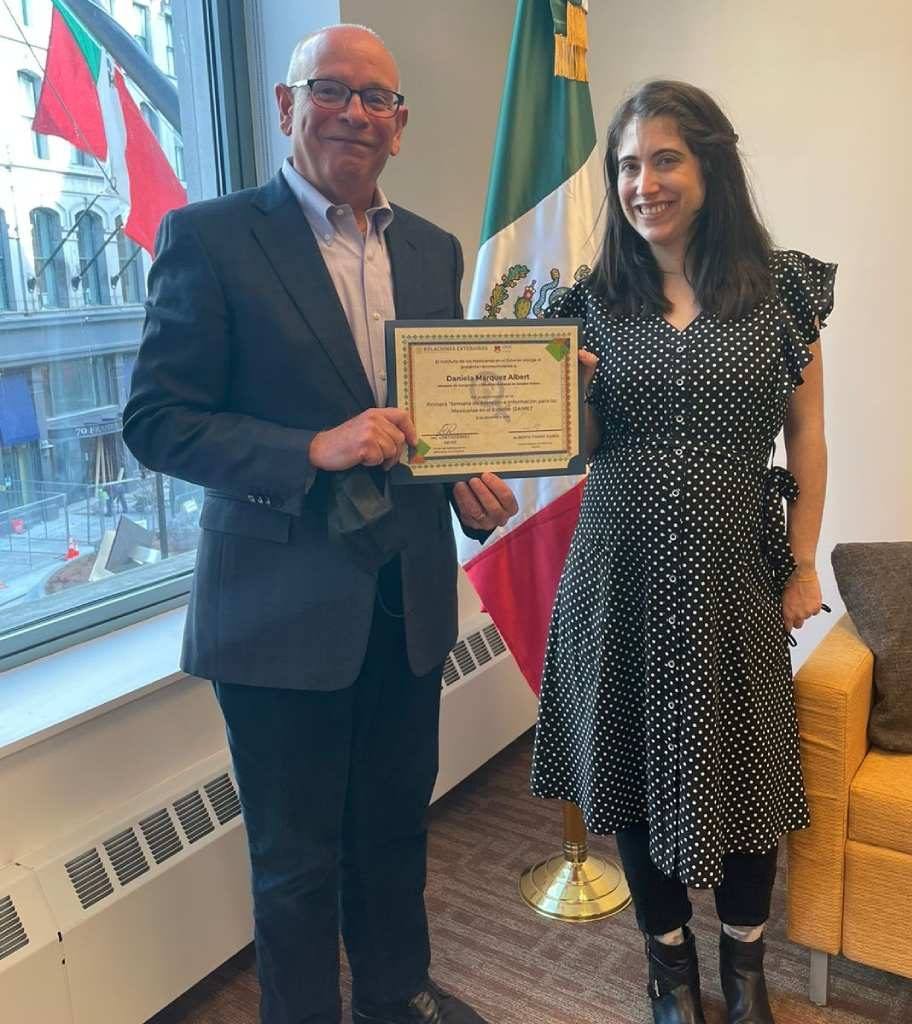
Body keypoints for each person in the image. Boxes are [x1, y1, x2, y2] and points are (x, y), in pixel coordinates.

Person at [123, 25, 515, 1024]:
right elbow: (159, 422)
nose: (353, 112)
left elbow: (429, 413)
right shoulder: (208, 237)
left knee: (394, 830)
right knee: (295, 863)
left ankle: (397, 996)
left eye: (376, 98)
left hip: (406, 599)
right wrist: (309, 448)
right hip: (278, 612)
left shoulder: (432, 249)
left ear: (401, 126)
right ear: (284, 107)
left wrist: (470, 464)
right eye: (329, 90)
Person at [530, 81, 835, 1024]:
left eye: (665, 159)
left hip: (734, 571)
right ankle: (669, 971)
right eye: (628, 165)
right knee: (623, 766)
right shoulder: (590, 301)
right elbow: (575, 452)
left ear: (710, 167)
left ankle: (745, 968)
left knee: (743, 765)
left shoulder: (782, 288)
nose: (643, 182)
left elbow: (808, 435)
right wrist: (566, 387)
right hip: (615, 569)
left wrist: (801, 558)